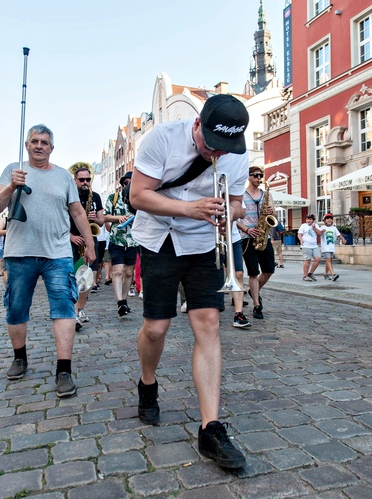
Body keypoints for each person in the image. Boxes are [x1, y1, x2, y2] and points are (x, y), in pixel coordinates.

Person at [129, 94, 249, 470]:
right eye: (209, 145)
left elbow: (237, 203)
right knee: (156, 327)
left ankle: (210, 427)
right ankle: (147, 383)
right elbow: (138, 196)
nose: (215, 154)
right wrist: (188, 209)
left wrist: (225, 214)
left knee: (209, 323)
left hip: (202, 243)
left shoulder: (236, 152)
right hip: (159, 238)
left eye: (223, 149)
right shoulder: (161, 139)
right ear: (197, 125)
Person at [0, 124, 95, 399]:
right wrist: (13, 184)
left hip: (57, 253)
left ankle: (64, 370)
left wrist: (90, 243)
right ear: (26, 145)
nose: (39, 146)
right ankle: (20, 357)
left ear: (51, 147)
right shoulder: (14, 170)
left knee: (64, 308)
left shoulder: (62, 177)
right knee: (16, 308)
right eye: (34, 141)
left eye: (44, 142)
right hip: (20, 251)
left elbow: (78, 212)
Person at [236, 166, 276, 320]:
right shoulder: (241, 195)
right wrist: (247, 230)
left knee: (268, 270)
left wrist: (270, 211)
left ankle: (254, 292)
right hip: (247, 237)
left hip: (263, 236)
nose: (259, 178)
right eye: (256, 176)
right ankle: (256, 305)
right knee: (253, 272)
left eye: (261, 176)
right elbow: (235, 218)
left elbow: (274, 215)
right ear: (249, 177)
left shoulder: (266, 194)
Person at [69, 164, 105, 327]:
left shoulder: (95, 197)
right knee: (73, 277)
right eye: (81, 179)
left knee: (87, 278)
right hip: (72, 241)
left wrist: (95, 219)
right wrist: (71, 236)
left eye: (88, 179)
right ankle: (72, 311)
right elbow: (60, 221)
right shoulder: (69, 196)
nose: (85, 182)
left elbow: (101, 220)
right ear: (75, 180)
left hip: (90, 240)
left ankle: (80, 309)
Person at [104, 171, 139, 317]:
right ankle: (120, 302)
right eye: (125, 182)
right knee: (117, 271)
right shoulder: (113, 198)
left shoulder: (138, 199)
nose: (128, 184)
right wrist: (118, 218)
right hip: (116, 239)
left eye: (131, 181)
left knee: (129, 272)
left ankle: (124, 300)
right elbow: (104, 216)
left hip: (133, 240)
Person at [320, 214, 346, 280]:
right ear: (324, 220)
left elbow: (339, 234)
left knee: (328, 261)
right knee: (329, 260)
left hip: (331, 247)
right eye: (327, 219)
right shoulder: (322, 227)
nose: (329, 220)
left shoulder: (334, 228)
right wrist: (320, 231)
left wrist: (343, 239)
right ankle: (333, 274)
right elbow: (318, 233)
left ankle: (325, 274)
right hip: (325, 247)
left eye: (330, 219)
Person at [298, 214, 323, 281]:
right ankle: (305, 276)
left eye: (310, 219)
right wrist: (301, 240)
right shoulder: (303, 225)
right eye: (307, 219)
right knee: (308, 260)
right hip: (306, 245)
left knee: (318, 259)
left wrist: (314, 228)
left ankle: (311, 273)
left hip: (314, 245)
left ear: (313, 220)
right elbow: (299, 234)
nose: (308, 220)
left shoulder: (316, 225)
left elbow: (320, 234)